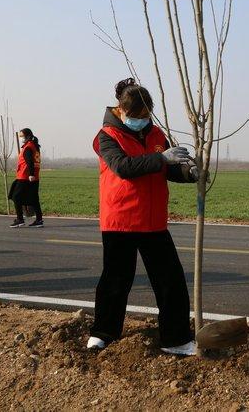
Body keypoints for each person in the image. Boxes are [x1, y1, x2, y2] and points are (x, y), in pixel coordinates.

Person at [87, 78, 200, 356]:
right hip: (120, 220)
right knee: (116, 280)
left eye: (146, 115)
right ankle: (103, 332)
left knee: (170, 281)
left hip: (153, 221)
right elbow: (123, 167)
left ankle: (176, 339)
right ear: (122, 111)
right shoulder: (107, 136)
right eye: (137, 116)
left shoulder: (157, 135)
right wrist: (162, 159)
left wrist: (189, 173)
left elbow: (169, 169)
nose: (142, 121)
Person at [8, 128, 43, 228]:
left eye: (22, 136)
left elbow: (29, 162)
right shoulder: (35, 146)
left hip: (25, 176)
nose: (21, 138)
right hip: (34, 177)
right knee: (34, 199)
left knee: (15, 197)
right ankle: (39, 220)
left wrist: (31, 174)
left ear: (27, 136)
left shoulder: (28, 147)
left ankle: (20, 219)